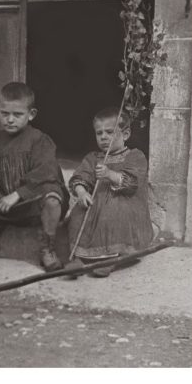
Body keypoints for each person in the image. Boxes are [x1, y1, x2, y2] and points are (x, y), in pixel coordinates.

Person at [0, 82, 68, 271]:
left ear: (31, 114)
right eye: (5, 113)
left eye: (17, 115)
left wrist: (18, 194)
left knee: (53, 196)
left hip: (32, 207)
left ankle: (47, 248)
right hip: (4, 206)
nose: (10, 120)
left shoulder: (40, 140)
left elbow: (46, 172)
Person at [65, 107, 154, 277]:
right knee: (78, 214)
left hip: (124, 203)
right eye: (99, 133)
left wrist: (109, 174)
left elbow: (131, 184)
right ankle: (78, 258)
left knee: (113, 213)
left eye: (109, 132)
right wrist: (82, 192)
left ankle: (109, 259)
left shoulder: (135, 156)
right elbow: (80, 177)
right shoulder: (93, 158)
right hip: (96, 201)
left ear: (125, 134)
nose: (104, 137)